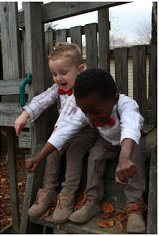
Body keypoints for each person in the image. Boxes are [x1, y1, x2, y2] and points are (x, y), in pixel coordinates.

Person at [26, 68, 147, 233]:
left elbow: (130, 127)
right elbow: (64, 130)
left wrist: (125, 157)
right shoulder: (88, 110)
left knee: (136, 157)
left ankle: (134, 207)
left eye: (95, 112)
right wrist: (39, 156)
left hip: (131, 143)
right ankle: (93, 200)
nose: (90, 117)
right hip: (106, 142)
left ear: (114, 99)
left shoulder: (126, 105)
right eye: (85, 112)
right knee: (94, 157)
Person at [14, 42, 95, 222]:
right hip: (63, 131)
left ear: (79, 70)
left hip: (86, 132)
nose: (58, 78)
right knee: (53, 153)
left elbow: (67, 116)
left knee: (73, 152)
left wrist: (56, 135)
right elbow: (42, 99)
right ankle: (48, 191)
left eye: (64, 73)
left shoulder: (83, 90)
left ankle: (67, 196)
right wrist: (24, 114)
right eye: (54, 74)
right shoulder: (58, 88)